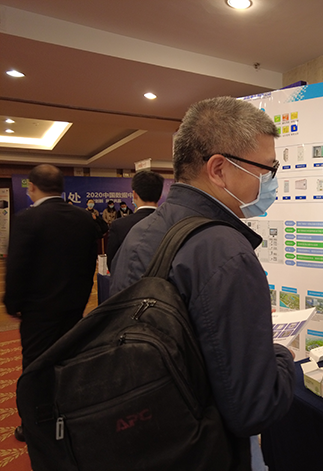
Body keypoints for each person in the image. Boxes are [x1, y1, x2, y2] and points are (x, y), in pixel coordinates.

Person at [110, 96, 294, 468]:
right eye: (267, 169)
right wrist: (283, 358)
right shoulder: (226, 251)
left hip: (144, 439)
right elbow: (253, 409)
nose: (272, 181)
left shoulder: (139, 233)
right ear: (219, 169)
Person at [4, 164, 105, 441]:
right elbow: (90, 265)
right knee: (69, 365)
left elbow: (17, 268)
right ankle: (71, 418)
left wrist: (13, 305)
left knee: (35, 369)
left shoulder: (27, 219)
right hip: (74, 309)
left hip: (38, 314)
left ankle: (33, 427)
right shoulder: (83, 219)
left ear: (32, 187)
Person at [107, 170, 165, 272]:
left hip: (130, 280)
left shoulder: (119, 225)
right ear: (160, 196)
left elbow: (112, 264)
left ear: (134, 194)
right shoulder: (172, 224)